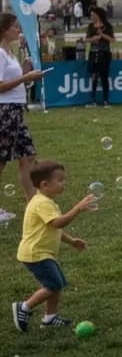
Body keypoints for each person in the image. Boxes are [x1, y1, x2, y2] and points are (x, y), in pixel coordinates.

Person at [12, 161, 98, 332]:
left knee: (56, 284)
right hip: (36, 254)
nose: (64, 183)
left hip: (42, 253)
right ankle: (24, 307)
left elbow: (54, 229)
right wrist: (77, 209)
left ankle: (50, 318)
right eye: (60, 180)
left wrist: (72, 241)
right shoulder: (42, 203)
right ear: (45, 184)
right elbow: (58, 223)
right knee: (53, 285)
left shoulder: (47, 201)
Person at [0, 13, 44, 213]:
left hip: (17, 109)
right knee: (1, 161)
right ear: (4, 29)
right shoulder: (0, 54)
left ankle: (32, 203)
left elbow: (14, 82)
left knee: (27, 155)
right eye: (15, 27)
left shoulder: (9, 52)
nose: (19, 30)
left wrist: (25, 74)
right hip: (5, 111)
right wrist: (25, 76)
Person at [85, 6, 115, 108]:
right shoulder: (90, 26)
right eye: (91, 15)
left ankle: (106, 100)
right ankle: (93, 99)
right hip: (93, 53)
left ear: (98, 15)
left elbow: (112, 39)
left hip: (104, 53)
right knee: (94, 76)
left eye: (94, 15)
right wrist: (93, 39)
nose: (92, 17)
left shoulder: (107, 26)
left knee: (104, 77)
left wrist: (102, 35)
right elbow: (87, 39)